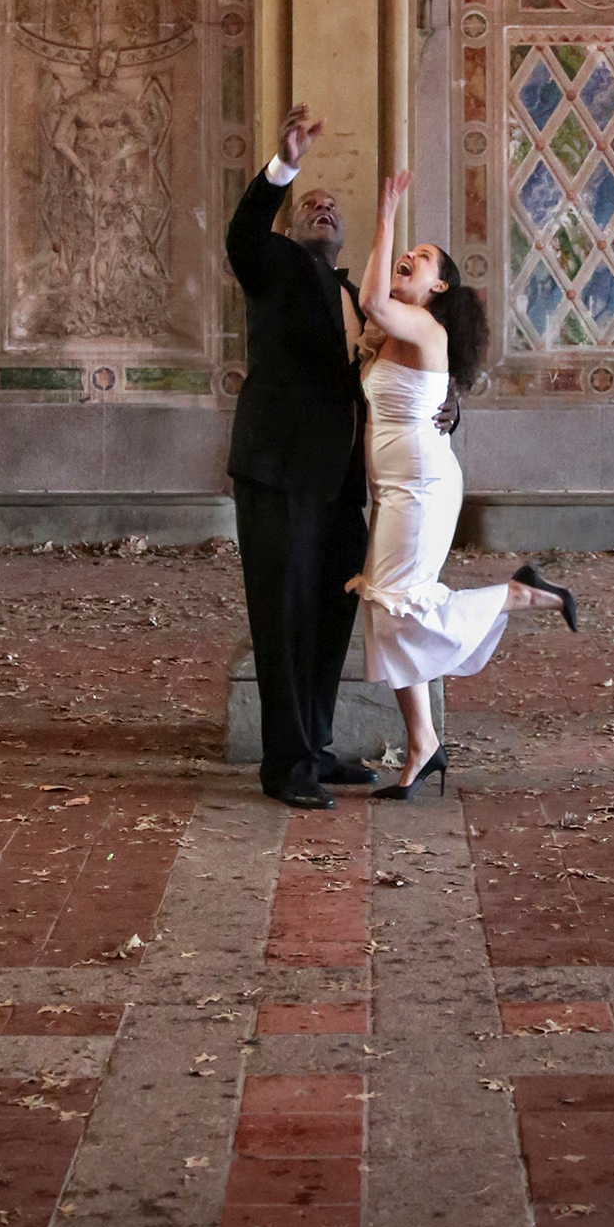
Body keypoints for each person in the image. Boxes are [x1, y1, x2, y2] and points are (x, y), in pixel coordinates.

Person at [349, 169, 576, 802]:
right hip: (396, 485)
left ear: (438, 285)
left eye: (418, 259)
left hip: (422, 484)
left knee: (399, 600)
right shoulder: (394, 332)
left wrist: (387, 209)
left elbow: (371, 303)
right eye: (406, 253)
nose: (406, 258)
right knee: (388, 608)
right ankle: (422, 744)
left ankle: (519, 595)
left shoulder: (426, 329)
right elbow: (369, 319)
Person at [226, 103, 378, 810]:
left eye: (331, 205)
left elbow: (401, 374)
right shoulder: (275, 266)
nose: (322, 207)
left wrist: (449, 405)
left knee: (328, 614)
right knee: (284, 619)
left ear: (341, 235)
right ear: (291, 225)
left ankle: (314, 745)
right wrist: (282, 167)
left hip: (342, 484)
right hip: (281, 468)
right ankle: (285, 765)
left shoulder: (356, 296)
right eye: (309, 203)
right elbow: (243, 233)